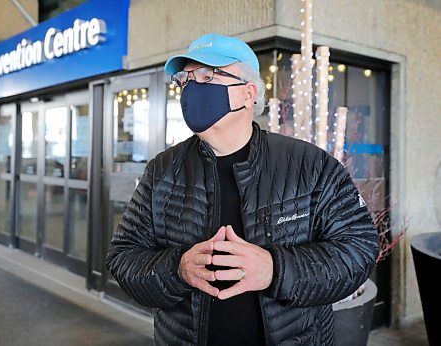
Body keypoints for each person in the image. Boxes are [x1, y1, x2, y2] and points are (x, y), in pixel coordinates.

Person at [106, 33, 379, 345]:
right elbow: (123, 257)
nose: (193, 88)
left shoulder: (310, 165)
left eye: (209, 75)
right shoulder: (162, 170)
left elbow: (358, 250)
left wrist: (275, 270)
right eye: (186, 79)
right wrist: (177, 268)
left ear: (249, 93)